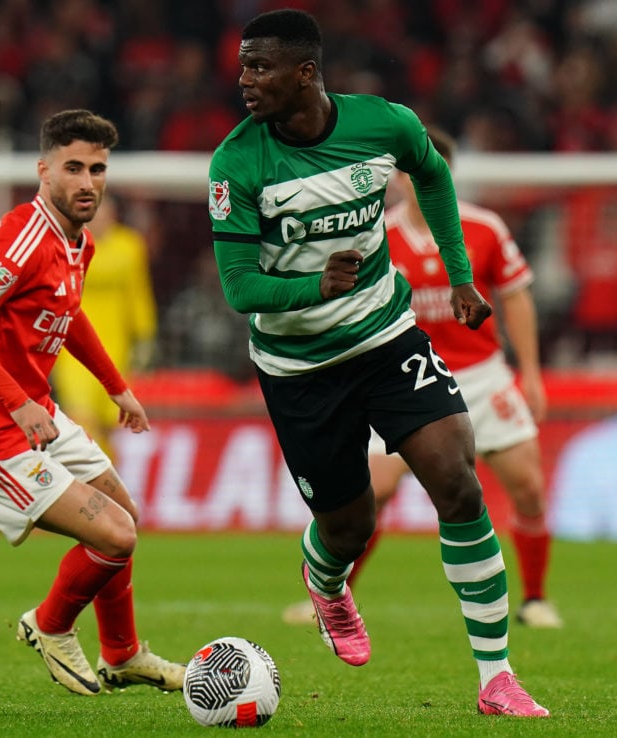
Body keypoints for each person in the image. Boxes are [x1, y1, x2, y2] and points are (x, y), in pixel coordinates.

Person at [209, 9, 548, 718]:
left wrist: (460, 276)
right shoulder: (237, 163)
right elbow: (240, 288)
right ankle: (326, 580)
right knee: (350, 527)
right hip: (300, 369)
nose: (245, 81)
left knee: (457, 478)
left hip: (387, 338)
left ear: (305, 73)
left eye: (260, 67)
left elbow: (433, 175)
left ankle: (497, 677)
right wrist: (314, 286)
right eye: (243, 67)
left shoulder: (383, 124)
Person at [0, 109, 184, 696]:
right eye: (73, 167)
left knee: (124, 513)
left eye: (97, 169)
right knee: (115, 536)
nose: (88, 181)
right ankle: (50, 625)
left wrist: (116, 386)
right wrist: (19, 403)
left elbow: (68, 318)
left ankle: (122, 655)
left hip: (37, 415)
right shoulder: (18, 238)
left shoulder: (78, 243)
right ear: (44, 170)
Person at [281, 127, 562, 629]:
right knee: (373, 494)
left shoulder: (484, 228)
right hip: (401, 377)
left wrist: (532, 374)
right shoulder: (375, 235)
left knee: (530, 488)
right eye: (415, 171)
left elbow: (516, 294)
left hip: (481, 374)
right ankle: (333, 595)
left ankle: (536, 598)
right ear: (399, 178)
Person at [50, 194, 158, 456]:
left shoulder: (129, 246)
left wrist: (145, 336)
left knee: (109, 423)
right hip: (72, 347)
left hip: (115, 345)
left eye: (103, 212)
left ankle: (107, 481)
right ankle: (94, 480)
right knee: (81, 417)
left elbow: (138, 293)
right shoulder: (67, 245)